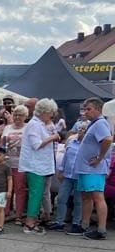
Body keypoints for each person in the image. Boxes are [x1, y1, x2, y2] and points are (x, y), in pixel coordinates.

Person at [19, 98, 60, 235]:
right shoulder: (34, 125)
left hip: (40, 165)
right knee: (35, 195)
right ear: (45, 111)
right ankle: (30, 223)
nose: (52, 115)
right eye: (51, 113)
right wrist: (53, 137)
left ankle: (33, 221)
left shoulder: (40, 124)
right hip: (34, 165)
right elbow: (36, 144)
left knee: (37, 194)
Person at [73, 97, 112, 240]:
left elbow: (107, 139)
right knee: (86, 196)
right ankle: (84, 225)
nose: (86, 112)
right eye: (84, 109)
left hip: (94, 169)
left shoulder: (100, 123)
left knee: (97, 196)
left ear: (98, 109)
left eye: (89, 109)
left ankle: (101, 230)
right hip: (86, 168)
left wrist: (100, 158)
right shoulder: (93, 124)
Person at [48, 121, 88, 234]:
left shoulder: (88, 146)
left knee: (78, 200)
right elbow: (66, 157)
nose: (81, 132)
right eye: (80, 130)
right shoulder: (71, 142)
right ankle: (59, 222)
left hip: (80, 175)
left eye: (84, 130)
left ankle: (76, 222)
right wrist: (61, 171)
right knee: (61, 198)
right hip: (68, 175)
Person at [0, 104, 28, 225]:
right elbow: (2, 143)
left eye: (20, 115)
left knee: (19, 189)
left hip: (21, 163)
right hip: (7, 162)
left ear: (25, 116)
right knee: (7, 188)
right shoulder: (8, 128)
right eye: (15, 114)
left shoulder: (28, 128)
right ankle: (5, 212)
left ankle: (19, 214)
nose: (17, 117)